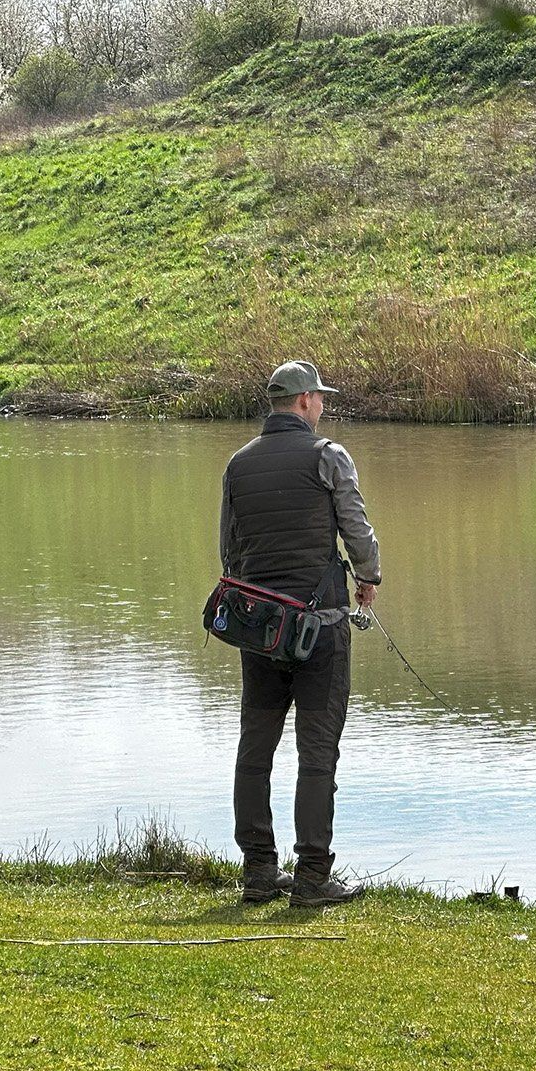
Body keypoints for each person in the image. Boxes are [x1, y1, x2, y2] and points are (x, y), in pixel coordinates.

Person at [219, 360, 382, 907]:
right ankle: (312, 877)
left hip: (261, 631)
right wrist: (368, 578)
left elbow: (230, 552)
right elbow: (357, 530)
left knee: (255, 750)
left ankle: (259, 873)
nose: (322, 406)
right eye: (320, 398)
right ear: (306, 400)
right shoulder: (328, 456)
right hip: (321, 632)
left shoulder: (238, 465)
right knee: (317, 753)